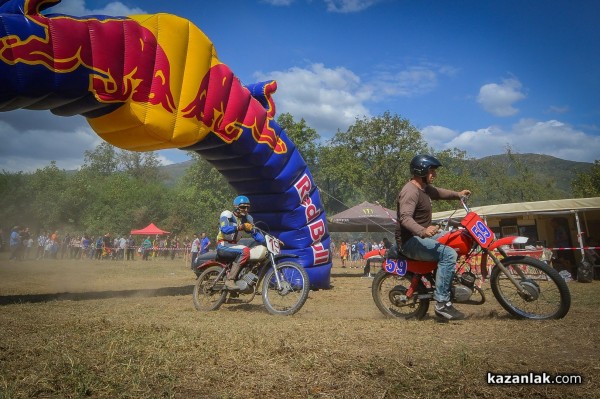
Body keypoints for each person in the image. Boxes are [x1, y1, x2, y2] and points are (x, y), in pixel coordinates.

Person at [396, 154, 471, 321]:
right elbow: (405, 218)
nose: (434, 175)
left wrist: (457, 194)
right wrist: (423, 231)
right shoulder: (410, 191)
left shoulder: (423, 188)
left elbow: (439, 193)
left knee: (456, 236)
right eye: (432, 171)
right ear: (421, 171)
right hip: (410, 241)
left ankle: (445, 281)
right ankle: (442, 303)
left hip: (421, 237)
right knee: (448, 254)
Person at [216, 195, 264, 290]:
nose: (245, 209)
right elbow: (225, 229)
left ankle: (243, 281)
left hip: (234, 246)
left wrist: (270, 240)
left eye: (247, 207)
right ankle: (230, 280)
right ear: (236, 207)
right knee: (245, 250)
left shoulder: (248, 219)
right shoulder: (227, 215)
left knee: (257, 253)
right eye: (243, 207)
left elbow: (258, 237)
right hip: (223, 244)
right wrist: (240, 227)